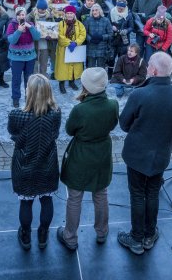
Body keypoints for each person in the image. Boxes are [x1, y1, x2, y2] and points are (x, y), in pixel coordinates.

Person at [117, 52, 172, 255]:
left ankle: (137, 239)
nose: (146, 70)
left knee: (138, 195)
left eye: (148, 67)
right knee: (153, 192)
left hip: (137, 155)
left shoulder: (140, 94)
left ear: (154, 71)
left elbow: (124, 124)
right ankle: (149, 234)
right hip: (161, 154)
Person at [57, 67, 119, 251]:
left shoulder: (80, 109)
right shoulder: (113, 105)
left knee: (75, 197)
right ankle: (102, 231)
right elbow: (114, 124)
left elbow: (69, 131)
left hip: (81, 155)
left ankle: (70, 237)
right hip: (102, 153)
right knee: (101, 194)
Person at [7, 74, 62, 250]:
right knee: (47, 200)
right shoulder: (55, 113)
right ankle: (43, 235)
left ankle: (26, 236)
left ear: (28, 92)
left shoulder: (17, 115)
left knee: (26, 202)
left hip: (24, 165)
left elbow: (12, 133)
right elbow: (55, 134)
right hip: (48, 164)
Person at [6, 6, 41, 108]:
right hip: (16, 57)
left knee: (29, 79)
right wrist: (19, 31)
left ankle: (29, 97)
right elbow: (12, 40)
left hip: (30, 56)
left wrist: (31, 27)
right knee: (16, 79)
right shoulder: (11, 25)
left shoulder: (30, 24)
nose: (21, 16)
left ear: (26, 15)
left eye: (23, 14)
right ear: (16, 16)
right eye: (19, 14)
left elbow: (37, 37)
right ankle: (16, 99)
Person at [55, 5, 86, 94]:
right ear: (65, 14)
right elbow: (60, 36)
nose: (69, 15)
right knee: (63, 67)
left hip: (75, 48)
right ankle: (61, 84)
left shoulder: (79, 24)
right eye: (68, 13)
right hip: (64, 49)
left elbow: (83, 34)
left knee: (73, 66)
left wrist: (76, 43)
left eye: (71, 13)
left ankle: (72, 82)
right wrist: (69, 43)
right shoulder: (61, 24)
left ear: (74, 14)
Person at [83, 3, 113, 68]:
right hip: (91, 47)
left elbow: (111, 34)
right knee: (90, 68)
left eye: (96, 10)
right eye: (93, 10)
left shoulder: (106, 20)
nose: (94, 12)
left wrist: (102, 37)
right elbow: (84, 33)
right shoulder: (88, 20)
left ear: (100, 11)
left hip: (102, 47)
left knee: (101, 68)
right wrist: (89, 39)